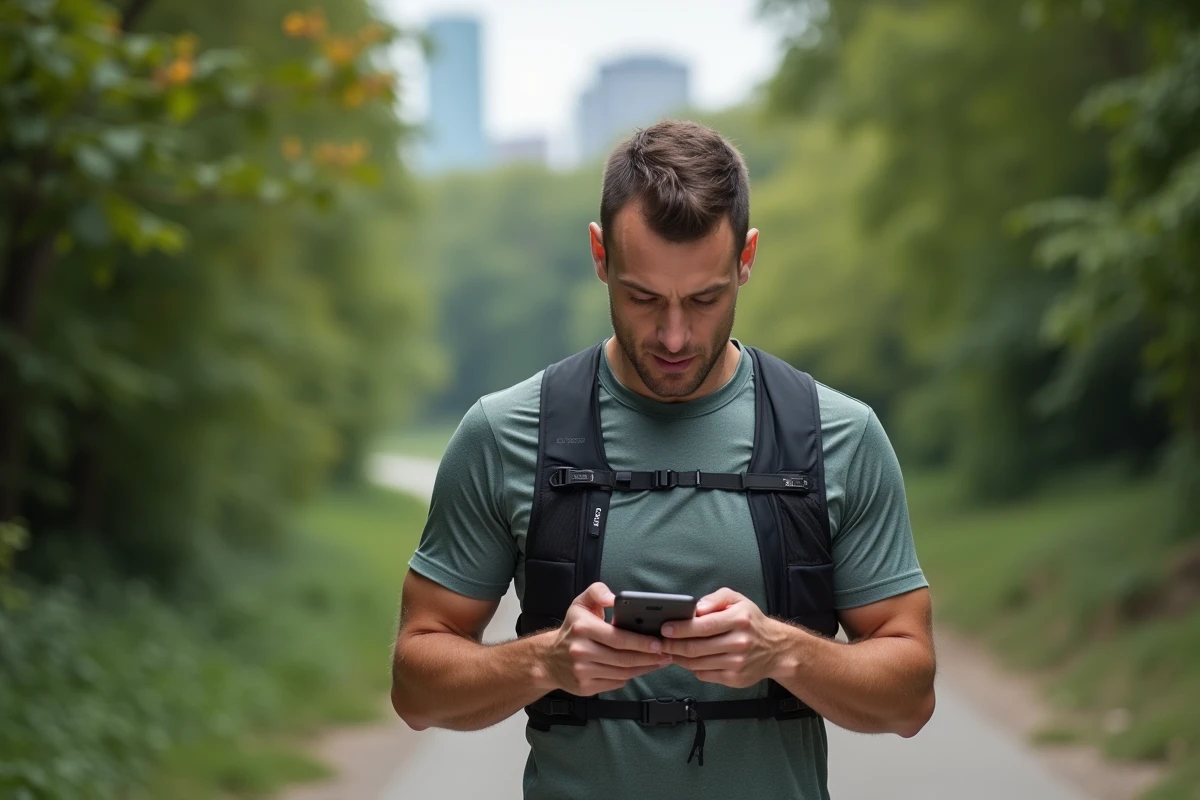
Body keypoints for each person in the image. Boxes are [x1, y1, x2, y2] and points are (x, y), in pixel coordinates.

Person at [390, 119, 935, 800]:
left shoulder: (842, 436)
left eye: (705, 299)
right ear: (599, 255)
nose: (674, 336)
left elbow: (911, 697)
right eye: (643, 297)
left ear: (746, 259)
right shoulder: (503, 433)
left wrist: (781, 651)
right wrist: (548, 661)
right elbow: (415, 687)